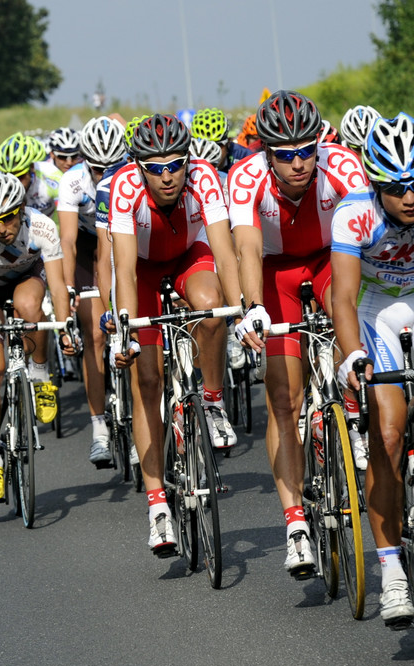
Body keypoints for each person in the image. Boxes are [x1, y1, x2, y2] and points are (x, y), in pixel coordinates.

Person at [230, 90, 369, 579]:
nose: (298, 163)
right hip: (275, 272)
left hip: (333, 260)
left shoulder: (344, 166)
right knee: (283, 399)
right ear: (266, 153)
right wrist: (253, 310)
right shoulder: (244, 178)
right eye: (285, 155)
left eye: (306, 150)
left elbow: (364, 242)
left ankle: (352, 413)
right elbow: (247, 248)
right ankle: (295, 524)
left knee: (347, 328)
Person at [330, 113, 414, 627]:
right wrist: (353, 353)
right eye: (396, 188)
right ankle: (392, 572)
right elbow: (341, 297)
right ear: (375, 184)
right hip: (377, 310)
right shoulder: (353, 214)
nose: (411, 198)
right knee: (385, 434)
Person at [109, 114, 243, 557]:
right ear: (138, 166)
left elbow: (224, 251)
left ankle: (212, 398)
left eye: (175, 165)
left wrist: (240, 310)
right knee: (147, 382)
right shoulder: (124, 188)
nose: (167, 176)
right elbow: (124, 271)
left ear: (188, 161)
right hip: (142, 273)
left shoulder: (204, 176)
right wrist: (125, 328)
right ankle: (157, 507)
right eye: (155, 167)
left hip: (189, 254)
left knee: (211, 307)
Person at [0, 173, 77, 502]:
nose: (2, 228)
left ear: (22, 208)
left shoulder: (41, 227)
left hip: (27, 280)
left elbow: (57, 286)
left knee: (27, 305)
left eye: (9, 217)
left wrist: (67, 327)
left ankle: (39, 375)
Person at [56, 116, 127, 467]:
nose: (103, 174)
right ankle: (99, 426)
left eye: (110, 166)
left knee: (131, 323)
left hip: (122, 240)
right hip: (87, 246)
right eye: (97, 167)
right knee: (95, 334)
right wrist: (69, 286)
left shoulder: (130, 173)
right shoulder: (72, 180)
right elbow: (67, 240)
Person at [0, 133, 63, 217]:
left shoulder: (51, 175)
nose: (17, 183)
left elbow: (65, 212)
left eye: (20, 177)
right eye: (11, 178)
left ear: (32, 167)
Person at [191, 108, 253, 173]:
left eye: (217, 144)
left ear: (228, 142)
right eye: (204, 145)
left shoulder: (244, 156)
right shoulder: (187, 161)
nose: (211, 151)